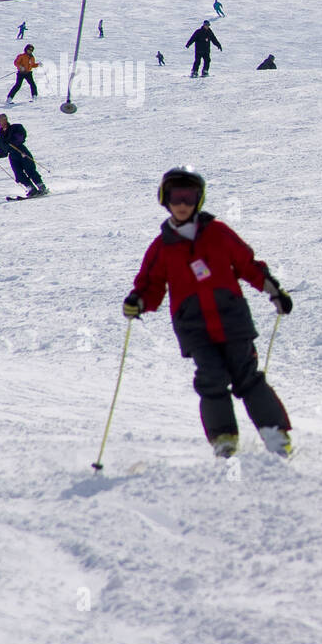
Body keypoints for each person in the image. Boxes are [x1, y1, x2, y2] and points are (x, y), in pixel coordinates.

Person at [124, 169, 295, 458]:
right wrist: (137, 302)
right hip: (194, 328)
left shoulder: (218, 233)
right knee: (211, 378)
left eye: (189, 198)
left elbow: (247, 264)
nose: (182, 204)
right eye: (176, 197)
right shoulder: (162, 247)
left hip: (232, 320)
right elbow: (150, 285)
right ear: (165, 199)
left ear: (199, 200)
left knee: (247, 377)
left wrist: (274, 290)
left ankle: (275, 434)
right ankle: (224, 438)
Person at [0, 113, 48, 198]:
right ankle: (31, 189)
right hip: (13, 155)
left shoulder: (15, 127)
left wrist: (13, 141)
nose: (0, 122)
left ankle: (41, 186)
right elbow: (2, 150)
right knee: (18, 173)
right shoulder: (0, 136)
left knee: (30, 170)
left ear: (6, 120)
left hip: (21, 152)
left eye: (1, 120)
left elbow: (21, 136)